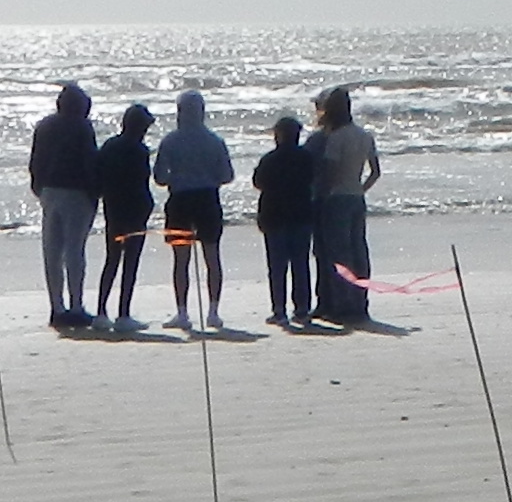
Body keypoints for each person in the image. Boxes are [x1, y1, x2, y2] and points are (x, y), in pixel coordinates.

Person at [155, 88, 238, 333]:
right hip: (207, 198)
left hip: (180, 199)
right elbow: (227, 175)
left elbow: (159, 177)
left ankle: (182, 312)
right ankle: (213, 311)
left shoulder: (170, 140)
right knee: (212, 256)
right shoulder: (214, 141)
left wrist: (178, 175)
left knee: (181, 260)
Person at [27, 81, 103, 333]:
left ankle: (56, 308)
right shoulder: (82, 127)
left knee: (52, 251)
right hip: (76, 191)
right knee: (74, 251)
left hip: (49, 190)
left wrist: (38, 187)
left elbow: (35, 161)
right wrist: (95, 194)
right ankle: (76, 306)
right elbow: (89, 162)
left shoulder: (45, 126)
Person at [310, 87, 381, 324]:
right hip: (356, 196)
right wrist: (361, 188)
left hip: (336, 198)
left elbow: (329, 172)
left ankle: (339, 303)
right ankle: (360, 301)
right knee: (359, 250)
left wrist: (321, 194)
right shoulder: (364, 135)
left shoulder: (336, 138)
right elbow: (375, 172)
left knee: (338, 253)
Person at [91, 102, 160, 334]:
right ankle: (123, 313)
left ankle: (101, 312)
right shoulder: (139, 150)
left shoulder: (110, 146)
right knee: (130, 263)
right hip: (135, 210)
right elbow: (142, 181)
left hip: (113, 208)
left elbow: (98, 177)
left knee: (111, 259)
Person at [250, 116, 319, 327]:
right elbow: (313, 179)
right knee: (300, 263)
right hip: (300, 214)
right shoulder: (306, 158)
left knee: (277, 265)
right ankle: (302, 309)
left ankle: (279, 310)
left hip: (274, 214)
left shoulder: (269, 159)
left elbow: (258, 182)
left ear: (278, 135)